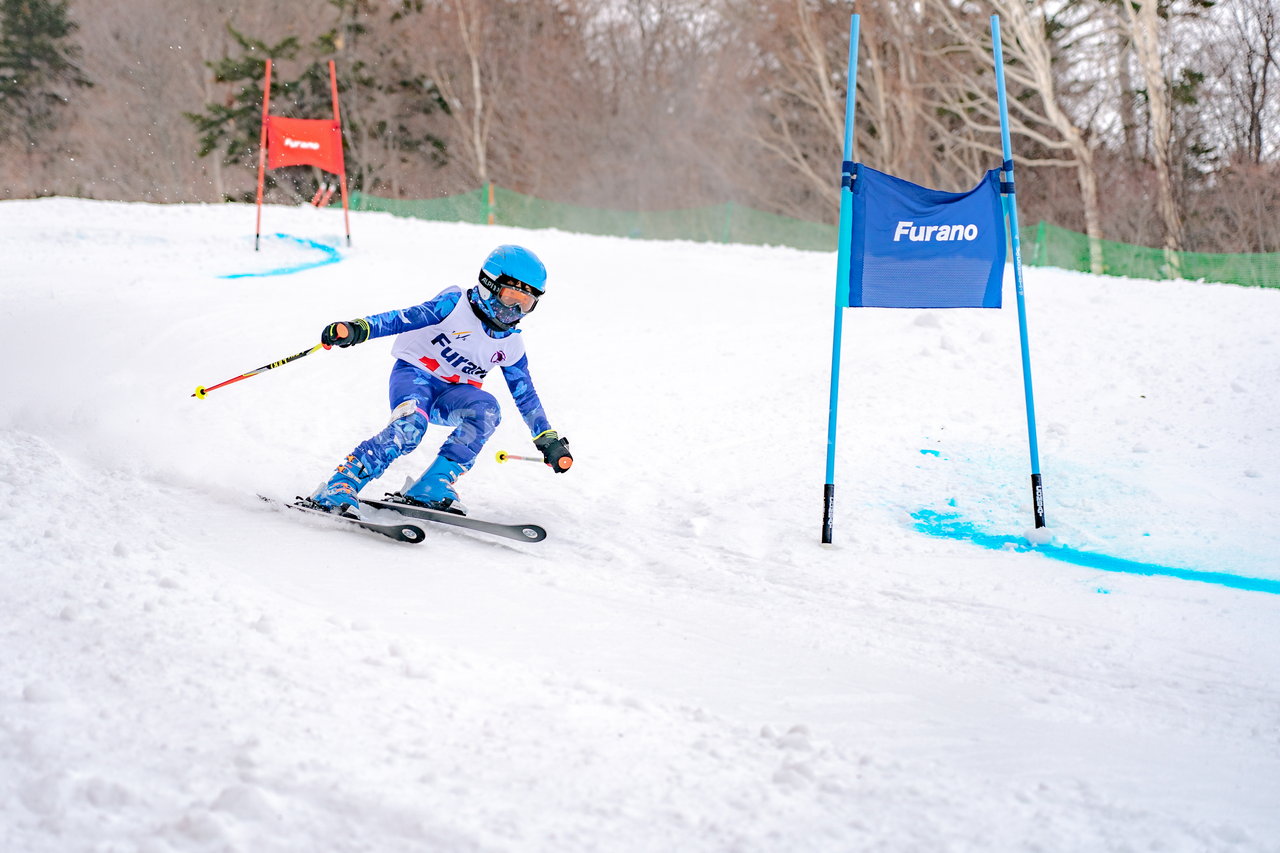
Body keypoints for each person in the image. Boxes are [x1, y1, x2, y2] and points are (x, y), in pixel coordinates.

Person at [303, 244, 572, 517]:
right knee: (411, 427)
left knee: (487, 410)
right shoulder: (454, 305)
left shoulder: (511, 344)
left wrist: (547, 439)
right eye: (510, 297)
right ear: (489, 285)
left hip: (452, 395)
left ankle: (432, 485)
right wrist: (358, 328)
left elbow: (525, 395)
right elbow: (402, 319)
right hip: (415, 377)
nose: (514, 310)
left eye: (525, 303)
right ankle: (341, 484)